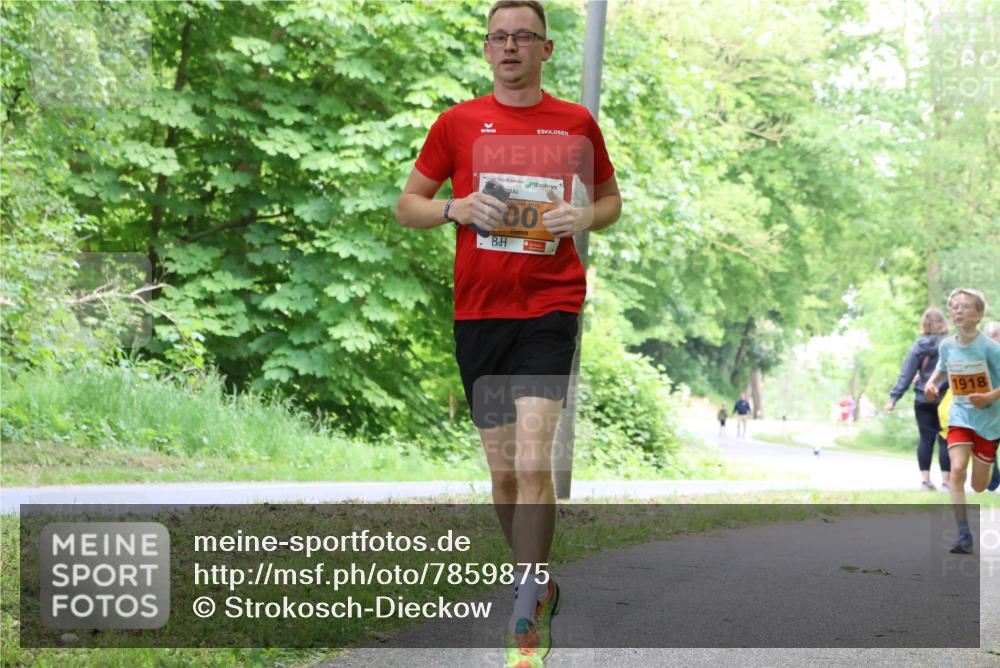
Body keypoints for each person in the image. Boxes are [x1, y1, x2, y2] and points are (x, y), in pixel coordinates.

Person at [395, 2, 621, 665]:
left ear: (546, 49)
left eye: (524, 36)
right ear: (487, 49)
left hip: (549, 308)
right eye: (500, 37)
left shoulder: (575, 123)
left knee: (530, 461)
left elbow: (609, 200)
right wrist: (454, 207)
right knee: (501, 475)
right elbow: (407, 205)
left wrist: (582, 216)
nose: (511, 46)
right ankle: (537, 581)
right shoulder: (457, 123)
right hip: (480, 314)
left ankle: (525, 608)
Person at [924, 289, 1000, 554]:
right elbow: (942, 369)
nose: (958, 310)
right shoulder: (946, 345)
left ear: (979, 314)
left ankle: (991, 465)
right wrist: (932, 384)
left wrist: (988, 396)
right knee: (956, 470)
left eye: (966, 306)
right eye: (954, 306)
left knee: (979, 485)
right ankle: (964, 534)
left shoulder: (990, 348)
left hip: (989, 420)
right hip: (960, 416)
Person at [884, 307, 951, 491]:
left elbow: (906, 373)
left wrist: (894, 398)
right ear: (944, 323)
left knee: (925, 439)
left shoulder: (919, 345)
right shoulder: (951, 344)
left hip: (923, 398)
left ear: (925, 324)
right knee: (946, 439)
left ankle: (925, 481)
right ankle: (946, 482)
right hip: (946, 398)